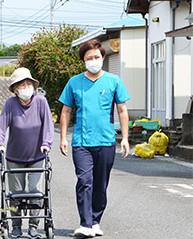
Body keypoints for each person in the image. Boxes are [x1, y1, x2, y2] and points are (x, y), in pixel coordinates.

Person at [58, 39, 130, 238]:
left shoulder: (113, 81)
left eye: (96, 57)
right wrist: (63, 138)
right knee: (84, 180)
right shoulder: (74, 82)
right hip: (81, 141)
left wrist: (124, 138)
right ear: (83, 61)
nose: (93, 60)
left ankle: (96, 221)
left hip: (106, 141)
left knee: (100, 183)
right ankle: (85, 223)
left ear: (103, 57)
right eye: (89, 58)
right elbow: (65, 111)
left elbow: (122, 110)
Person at [0, 67, 54, 238]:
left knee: (36, 191)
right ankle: (17, 227)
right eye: (22, 84)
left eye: (29, 83)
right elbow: (1, 127)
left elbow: (49, 127)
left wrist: (46, 143)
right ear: (15, 89)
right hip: (14, 157)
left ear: (33, 86)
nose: (27, 87)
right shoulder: (10, 104)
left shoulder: (41, 102)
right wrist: (0, 144)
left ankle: (34, 227)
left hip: (37, 155)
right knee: (16, 194)